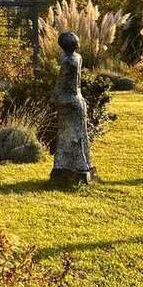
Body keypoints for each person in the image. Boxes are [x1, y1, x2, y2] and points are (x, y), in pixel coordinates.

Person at [50, 31, 94, 184]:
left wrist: (54, 97)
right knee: (78, 135)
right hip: (78, 100)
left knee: (69, 136)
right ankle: (83, 165)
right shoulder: (77, 57)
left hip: (68, 101)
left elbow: (61, 83)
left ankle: (67, 169)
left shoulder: (68, 61)